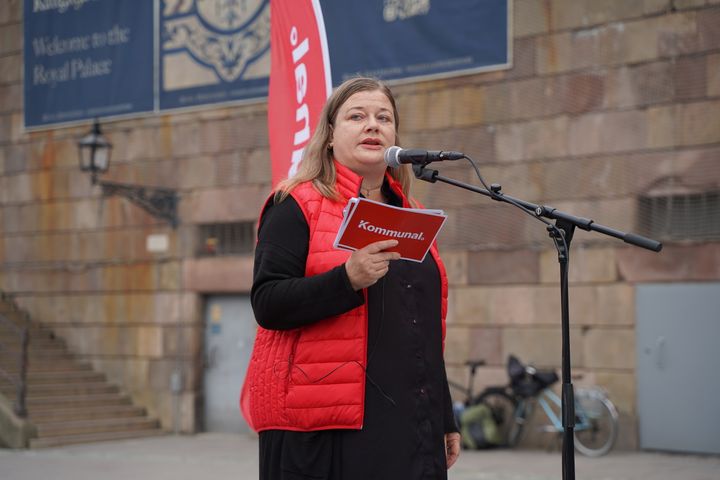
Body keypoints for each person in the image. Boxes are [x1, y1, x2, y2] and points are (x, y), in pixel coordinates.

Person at [240, 77, 460, 480]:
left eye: (384, 118)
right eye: (357, 116)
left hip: (408, 426)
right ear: (328, 136)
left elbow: (421, 327)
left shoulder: (412, 215)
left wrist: (443, 415)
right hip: (328, 429)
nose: (372, 125)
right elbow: (267, 302)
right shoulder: (296, 204)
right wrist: (346, 280)